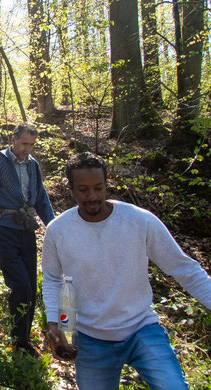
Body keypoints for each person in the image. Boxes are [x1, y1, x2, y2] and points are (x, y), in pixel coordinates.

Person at [42, 152, 211, 389]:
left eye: (98, 188)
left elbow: (183, 268)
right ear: (71, 189)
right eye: (83, 190)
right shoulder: (58, 230)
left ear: (107, 185)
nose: (92, 196)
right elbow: (52, 278)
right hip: (91, 338)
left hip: (141, 328)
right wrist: (55, 322)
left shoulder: (139, 221)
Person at [0, 123, 55, 357]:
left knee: (30, 285)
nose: (27, 149)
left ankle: (24, 338)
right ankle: (19, 343)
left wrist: (56, 228)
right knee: (20, 285)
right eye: (24, 143)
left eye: (31, 145)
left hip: (25, 228)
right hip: (0, 228)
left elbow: (41, 198)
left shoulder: (33, 165)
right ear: (13, 139)